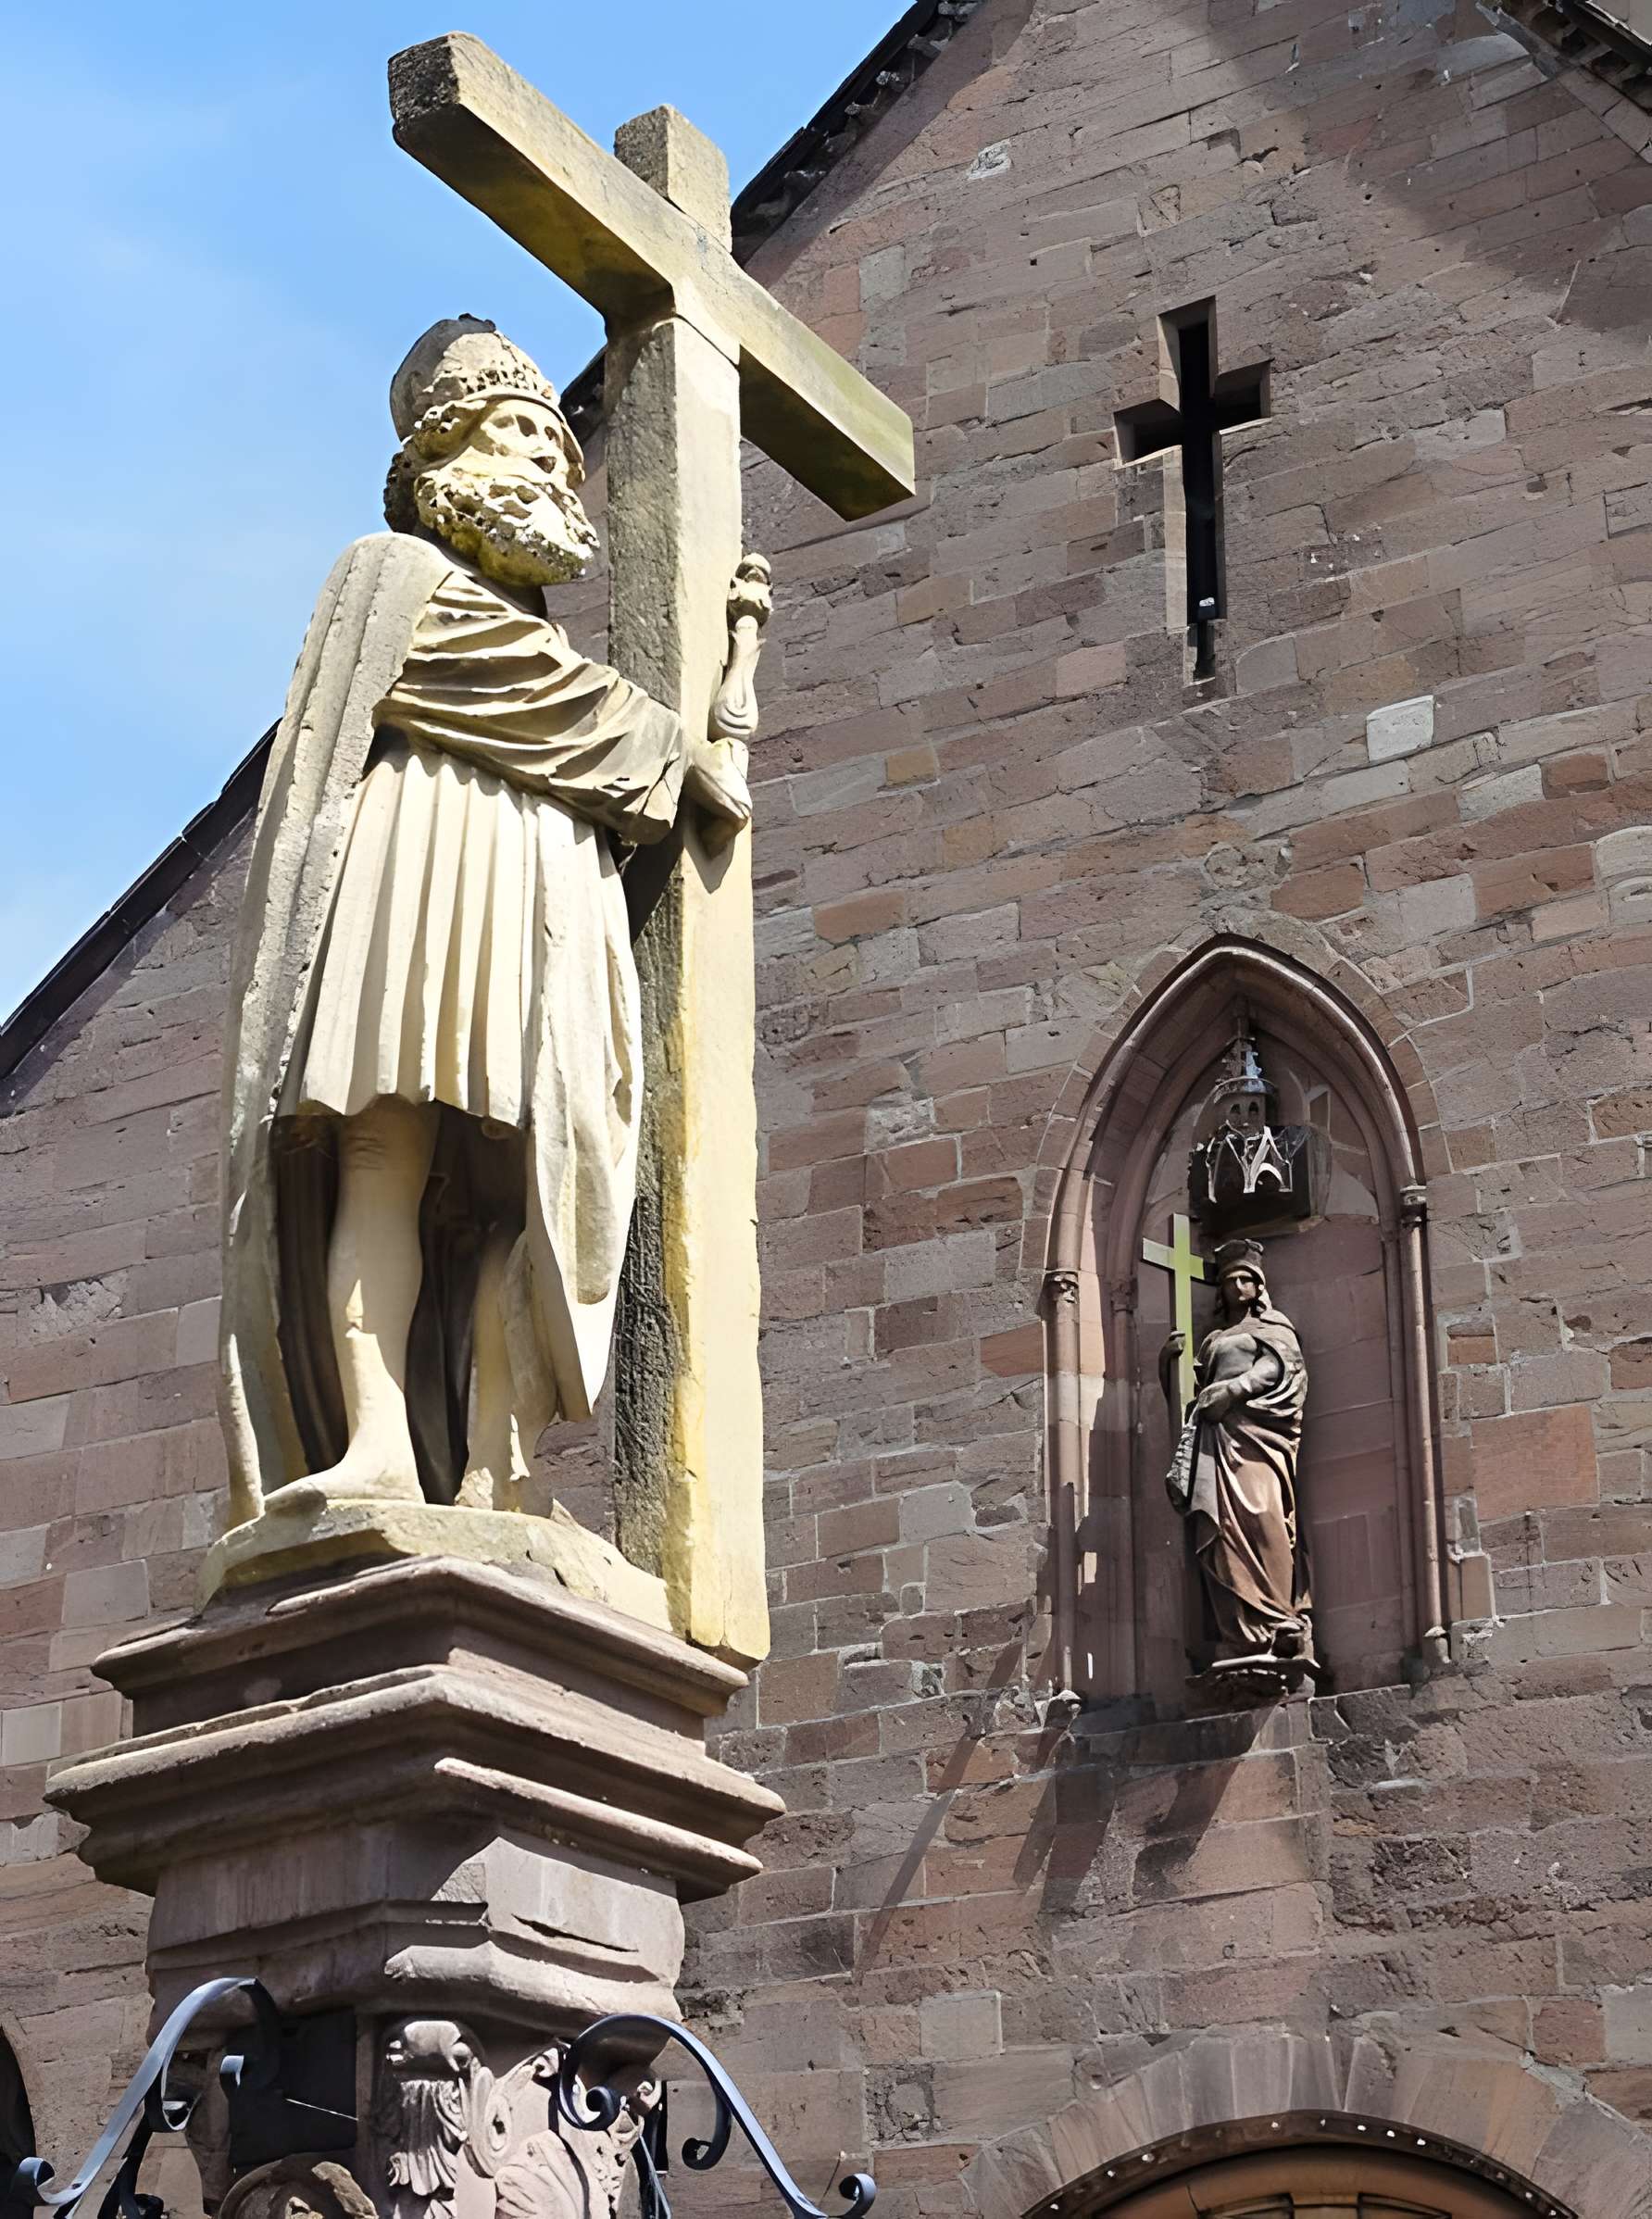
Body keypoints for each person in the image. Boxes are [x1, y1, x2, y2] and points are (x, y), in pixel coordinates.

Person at [219, 317, 767, 1524]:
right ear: (439, 464)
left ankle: (497, 1465)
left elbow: (570, 716)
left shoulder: (557, 648)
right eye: (514, 435)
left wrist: (676, 762)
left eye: (556, 448)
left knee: (516, 1187)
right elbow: (491, 683)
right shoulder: (393, 577)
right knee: (380, 1147)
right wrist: (672, 750)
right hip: (420, 853)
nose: (543, 462)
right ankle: (372, 1446)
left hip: (541, 874)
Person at [1160, 1237, 1311, 1665]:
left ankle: (1281, 1615)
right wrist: (1166, 1365)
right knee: (1220, 1529)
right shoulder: (1213, 1341)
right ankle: (1239, 1629)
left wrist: (1232, 1389)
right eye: (1231, 1280)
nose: (1239, 1287)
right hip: (1216, 1442)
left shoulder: (1274, 1329)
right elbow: (1188, 1399)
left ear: (1259, 1286)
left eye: (1248, 1279)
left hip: (1259, 1437)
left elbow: (1281, 1367)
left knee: (1265, 1518)